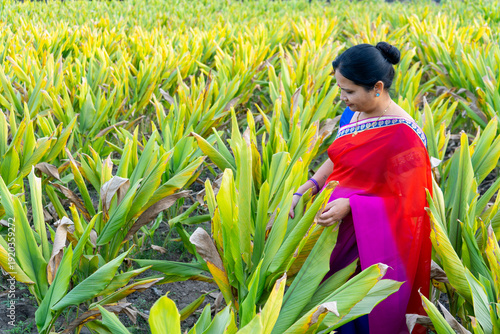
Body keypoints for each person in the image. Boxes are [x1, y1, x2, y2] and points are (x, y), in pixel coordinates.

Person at [290, 42, 432, 334]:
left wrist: (352, 207)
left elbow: (410, 205)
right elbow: (338, 155)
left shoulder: (403, 135)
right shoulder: (352, 115)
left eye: (350, 91)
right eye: (340, 89)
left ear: (377, 87)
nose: (343, 98)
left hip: (368, 243)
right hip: (332, 229)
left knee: (357, 312)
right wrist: (311, 184)